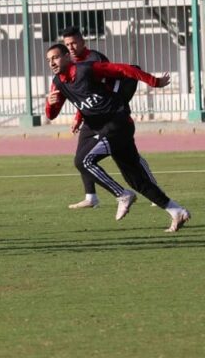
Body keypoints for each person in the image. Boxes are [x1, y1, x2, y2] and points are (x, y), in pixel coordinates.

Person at [44, 44, 190, 231]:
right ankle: (177, 211)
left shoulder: (87, 69)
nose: (52, 63)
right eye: (49, 60)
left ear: (67, 56)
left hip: (117, 124)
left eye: (55, 57)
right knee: (135, 180)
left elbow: (124, 69)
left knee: (83, 161)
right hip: (105, 129)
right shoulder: (58, 82)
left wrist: (154, 81)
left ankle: (122, 195)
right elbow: (51, 115)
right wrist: (50, 104)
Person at [60, 26, 116, 210]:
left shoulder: (95, 59)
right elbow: (80, 95)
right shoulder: (69, 64)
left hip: (108, 115)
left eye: (74, 43)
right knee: (81, 156)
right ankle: (91, 197)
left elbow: (106, 87)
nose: (71, 47)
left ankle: (152, 189)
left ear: (82, 41)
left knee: (128, 154)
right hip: (89, 117)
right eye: (67, 44)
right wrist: (78, 117)